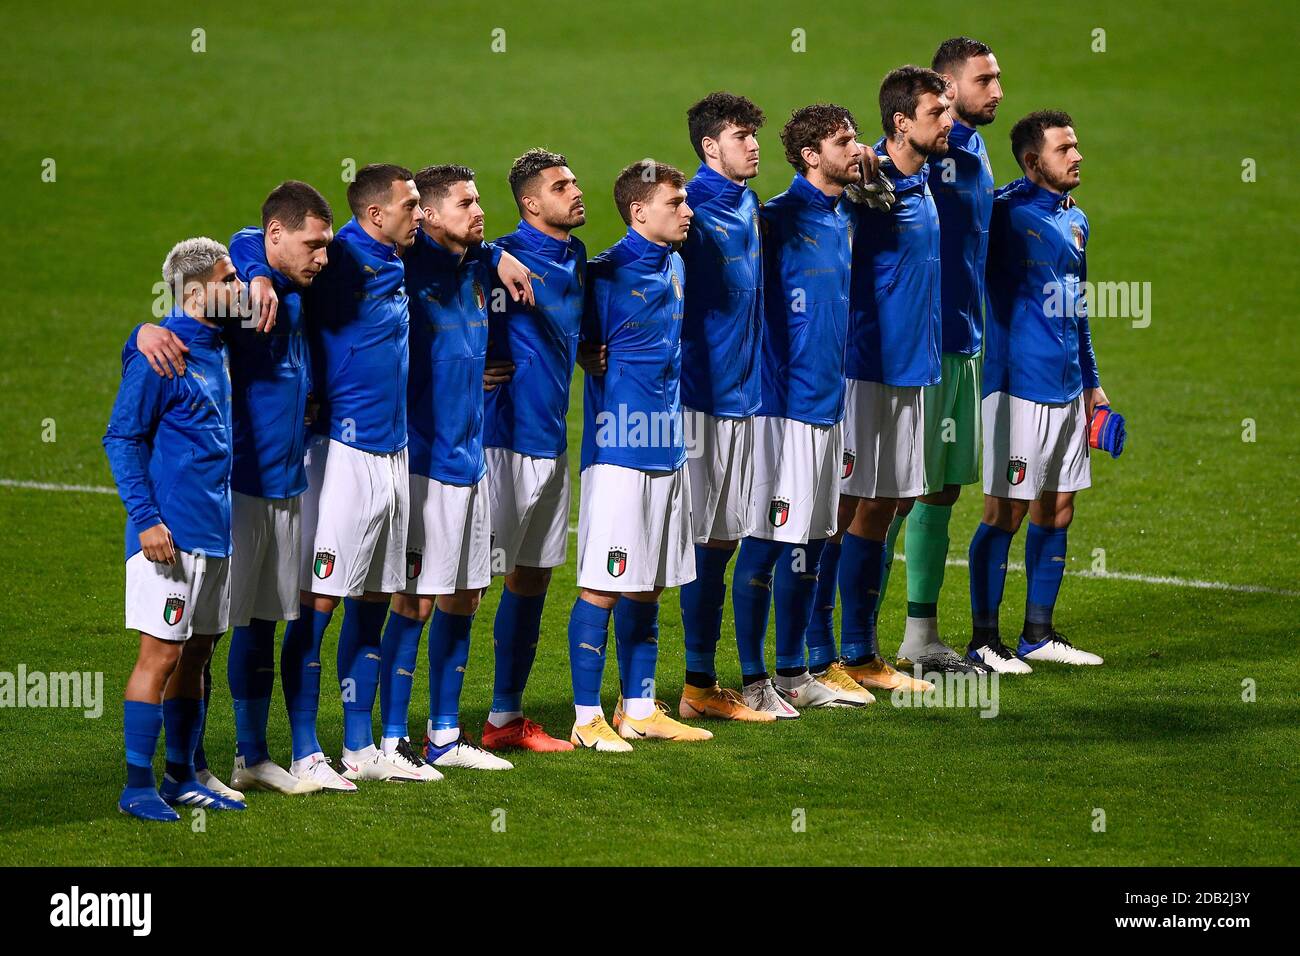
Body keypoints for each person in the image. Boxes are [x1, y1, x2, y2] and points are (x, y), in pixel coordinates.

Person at [105, 238, 248, 820]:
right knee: (160, 656)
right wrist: (146, 520)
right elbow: (121, 437)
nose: (239, 287)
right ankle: (137, 785)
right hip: (168, 537)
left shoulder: (216, 343)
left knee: (198, 656)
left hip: (215, 533)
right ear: (195, 292)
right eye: (229, 279)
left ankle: (182, 774)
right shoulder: (159, 354)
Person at [968, 110, 1109, 670]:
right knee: (1007, 509)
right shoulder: (1005, 213)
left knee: (1058, 509)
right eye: (1063, 149)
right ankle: (983, 640)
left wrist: (1093, 385)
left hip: (1067, 387)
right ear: (1033, 162)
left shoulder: (1078, 221)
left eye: (1076, 145)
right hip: (1015, 387)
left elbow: (1079, 313)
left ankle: (1038, 634)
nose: (1076, 156)